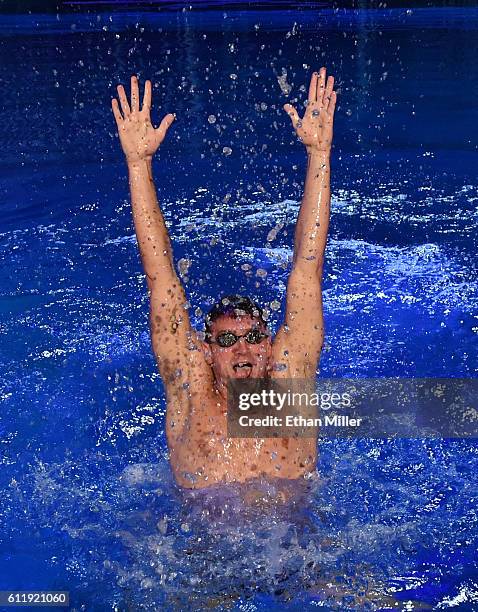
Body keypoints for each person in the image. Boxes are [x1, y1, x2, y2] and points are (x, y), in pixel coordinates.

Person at [111, 68, 337, 488]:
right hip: (202, 551)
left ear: (271, 347)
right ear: (207, 350)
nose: (243, 350)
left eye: (253, 337)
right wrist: (138, 164)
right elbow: (160, 278)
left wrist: (319, 155)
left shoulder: (291, 379)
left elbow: (308, 270)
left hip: (296, 549)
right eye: (228, 341)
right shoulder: (189, 386)